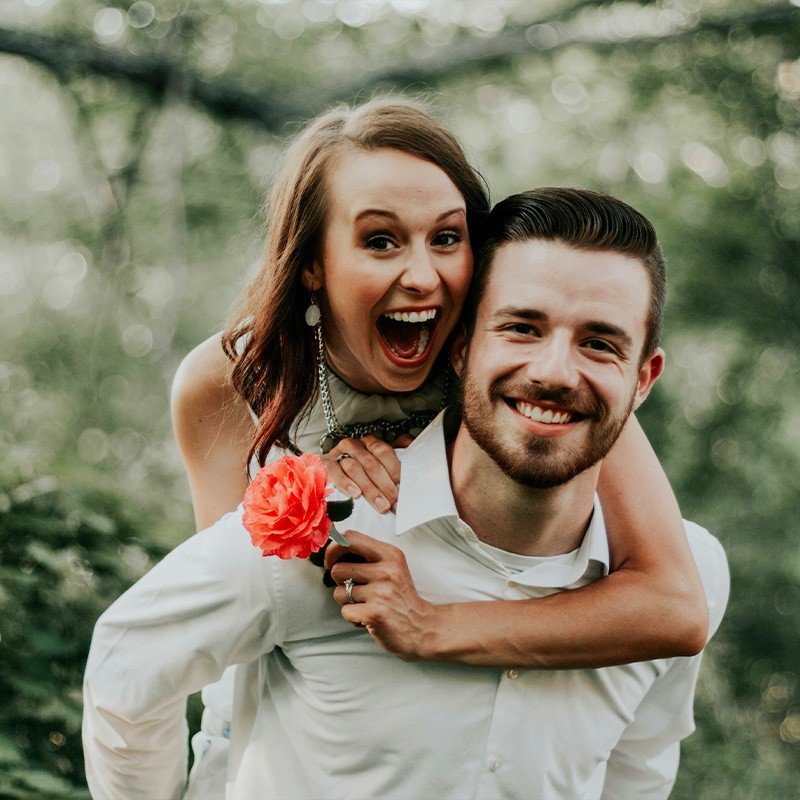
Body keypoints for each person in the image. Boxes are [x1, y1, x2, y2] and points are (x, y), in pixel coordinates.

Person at [83, 187, 729, 800]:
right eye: (522, 328)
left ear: (644, 378)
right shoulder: (325, 532)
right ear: (460, 346)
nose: (555, 372)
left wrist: (433, 626)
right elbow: (128, 669)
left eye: (599, 343)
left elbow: (637, 770)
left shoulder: (689, 574)